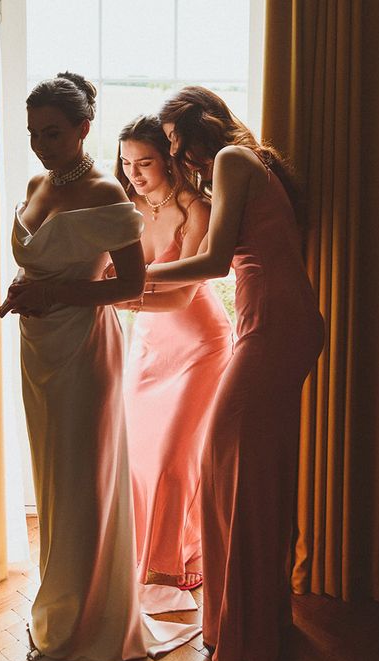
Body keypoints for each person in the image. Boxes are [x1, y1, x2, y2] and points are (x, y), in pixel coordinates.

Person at [0, 72, 199, 661]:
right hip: (40, 350)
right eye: (33, 133)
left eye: (53, 133)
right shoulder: (37, 182)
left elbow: (131, 284)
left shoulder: (107, 195)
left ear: (85, 129)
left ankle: (82, 628)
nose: (41, 145)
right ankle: (58, 613)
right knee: (54, 483)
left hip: (84, 351)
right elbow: (43, 265)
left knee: (81, 483)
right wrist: (26, 290)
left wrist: (53, 291)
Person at [146, 86, 325, 661]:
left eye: (173, 141)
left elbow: (216, 261)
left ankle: (246, 637)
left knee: (230, 468)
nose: (175, 157)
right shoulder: (251, 162)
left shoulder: (232, 159)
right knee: (250, 472)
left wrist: (131, 279)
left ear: (197, 126)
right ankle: (257, 621)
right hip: (278, 320)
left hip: (274, 323)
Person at [113, 115, 232, 592]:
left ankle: (171, 562)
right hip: (149, 345)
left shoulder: (198, 209)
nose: (135, 173)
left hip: (199, 346)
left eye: (145, 162)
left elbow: (183, 295)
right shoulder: (128, 206)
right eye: (126, 163)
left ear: (168, 160)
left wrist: (120, 297)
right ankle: (144, 555)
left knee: (172, 459)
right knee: (139, 456)